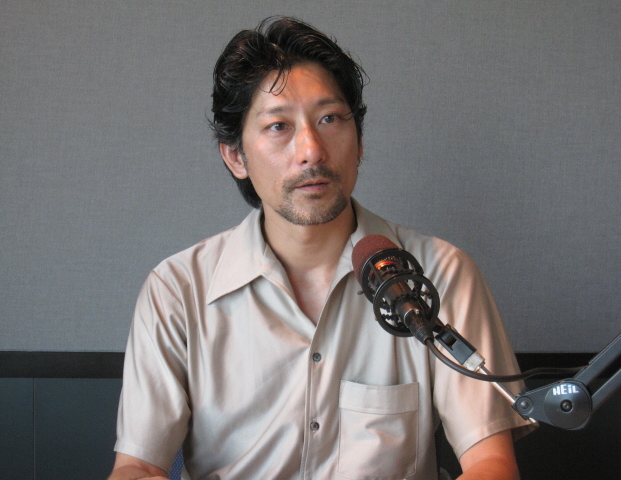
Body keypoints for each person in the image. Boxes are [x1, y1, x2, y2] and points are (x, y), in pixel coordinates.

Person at [109, 16, 535, 480]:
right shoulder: (177, 290)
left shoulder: (441, 273)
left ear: (360, 141)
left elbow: (491, 463)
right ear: (236, 156)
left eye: (329, 119)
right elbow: (137, 466)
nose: (311, 149)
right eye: (278, 126)